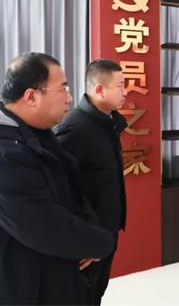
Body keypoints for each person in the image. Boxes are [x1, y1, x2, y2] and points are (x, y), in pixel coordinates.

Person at [0, 52, 114, 305]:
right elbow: (45, 227)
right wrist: (101, 242)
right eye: (63, 89)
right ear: (31, 96)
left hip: (53, 277)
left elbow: (73, 194)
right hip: (20, 291)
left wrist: (90, 233)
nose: (69, 98)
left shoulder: (37, 136)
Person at [55, 59, 128, 305]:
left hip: (106, 231)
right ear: (99, 89)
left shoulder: (109, 123)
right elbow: (59, 189)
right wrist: (80, 239)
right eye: (120, 86)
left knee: (97, 291)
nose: (125, 92)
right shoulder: (75, 129)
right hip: (87, 237)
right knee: (83, 296)